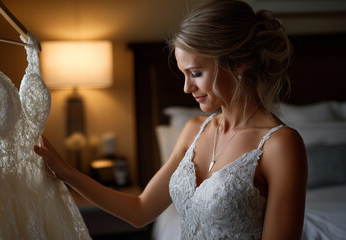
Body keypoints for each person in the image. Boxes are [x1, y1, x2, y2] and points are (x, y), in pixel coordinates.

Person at [34, 0, 308, 239]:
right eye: (184, 74)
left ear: (239, 62)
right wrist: (67, 173)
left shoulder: (281, 145)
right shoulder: (193, 131)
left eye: (196, 73)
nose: (187, 88)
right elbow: (140, 210)